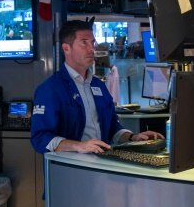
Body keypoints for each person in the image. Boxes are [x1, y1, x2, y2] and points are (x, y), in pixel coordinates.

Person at [31, 20, 162, 154]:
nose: (91, 49)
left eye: (92, 43)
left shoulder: (98, 85)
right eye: (84, 42)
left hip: (100, 163)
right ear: (66, 48)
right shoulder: (50, 89)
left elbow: (112, 129)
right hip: (69, 168)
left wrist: (133, 137)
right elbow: (40, 138)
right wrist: (79, 146)